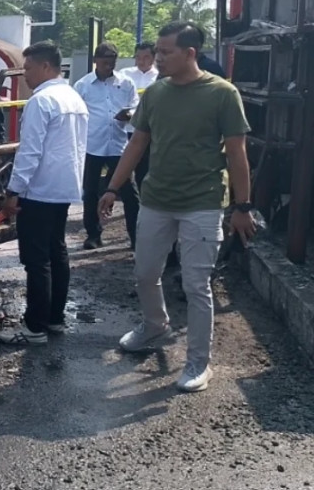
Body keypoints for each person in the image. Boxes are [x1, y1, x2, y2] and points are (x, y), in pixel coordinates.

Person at [99, 21, 255, 393]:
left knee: (196, 284)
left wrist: (242, 206)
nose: (158, 58)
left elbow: (237, 153)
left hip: (202, 202)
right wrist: (112, 188)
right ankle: (155, 324)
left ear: (190, 53)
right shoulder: (155, 93)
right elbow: (137, 143)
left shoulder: (222, 94)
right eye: (157, 51)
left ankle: (198, 362)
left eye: (166, 52)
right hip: (156, 199)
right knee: (144, 273)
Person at [0, 41, 88, 345]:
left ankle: (34, 326)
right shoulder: (74, 97)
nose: (25, 75)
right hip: (64, 186)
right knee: (56, 252)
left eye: (29, 68)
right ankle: (54, 318)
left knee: (37, 259)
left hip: (40, 188)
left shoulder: (41, 101)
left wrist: (13, 191)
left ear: (46, 66)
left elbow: (29, 153)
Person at [74, 42, 141, 251]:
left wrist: (129, 115)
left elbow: (136, 106)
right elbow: (77, 115)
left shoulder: (126, 83)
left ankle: (135, 237)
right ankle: (93, 235)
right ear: (95, 61)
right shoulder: (83, 85)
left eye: (111, 63)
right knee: (91, 191)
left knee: (129, 192)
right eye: (104, 63)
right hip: (93, 144)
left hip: (119, 145)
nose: (108, 67)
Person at [120, 42, 158, 190]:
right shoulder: (124, 74)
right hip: (126, 130)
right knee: (124, 170)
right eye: (138, 57)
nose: (141, 61)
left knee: (144, 170)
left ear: (154, 58)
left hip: (147, 131)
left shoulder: (159, 77)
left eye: (146, 57)